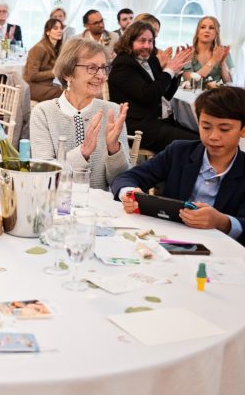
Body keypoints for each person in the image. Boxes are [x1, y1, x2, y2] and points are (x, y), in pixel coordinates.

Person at [112, 86, 245, 246]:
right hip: (169, 240)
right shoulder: (179, 152)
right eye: (206, 127)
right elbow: (128, 177)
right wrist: (129, 193)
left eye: (224, 129)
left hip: (222, 251)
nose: (213, 136)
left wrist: (222, 222)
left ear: (243, 130)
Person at [30, 38, 130, 190]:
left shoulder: (113, 112)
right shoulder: (43, 113)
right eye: (92, 68)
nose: (101, 75)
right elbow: (44, 177)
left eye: (104, 68)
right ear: (68, 73)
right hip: (57, 205)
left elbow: (122, 180)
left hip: (102, 209)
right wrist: (82, 152)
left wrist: (113, 149)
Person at [108, 20, 197, 152]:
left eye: (150, 41)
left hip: (158, 121)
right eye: (142, 41)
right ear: (129, 41)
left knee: (201, 137)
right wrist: (169, 71)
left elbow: (165, 94)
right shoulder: (123, 65)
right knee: (196, 144)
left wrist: (176, 73)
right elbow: (149, 96)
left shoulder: (151, 59)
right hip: (138, 126)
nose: (147, 45)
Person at [182, 16, 233, 85]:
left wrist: (222, 63)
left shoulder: (222, 51)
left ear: (216, 33)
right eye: (202, 27)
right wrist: (214, 60)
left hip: (216, 94)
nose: (207, 30)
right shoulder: (188, 52)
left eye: (211, 28)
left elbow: (228, 83)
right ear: (197, 32)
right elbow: (189, 81)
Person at [24, 18, 64, 102]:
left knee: (68, 89)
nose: (60, 30)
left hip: (46, 84)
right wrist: (53, 73)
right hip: (32, 87)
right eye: (55, 28)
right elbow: (32, 76)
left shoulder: (56, 48)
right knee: (64, 93)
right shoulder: (39, 48)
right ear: (48, 32)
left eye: (61, 28)